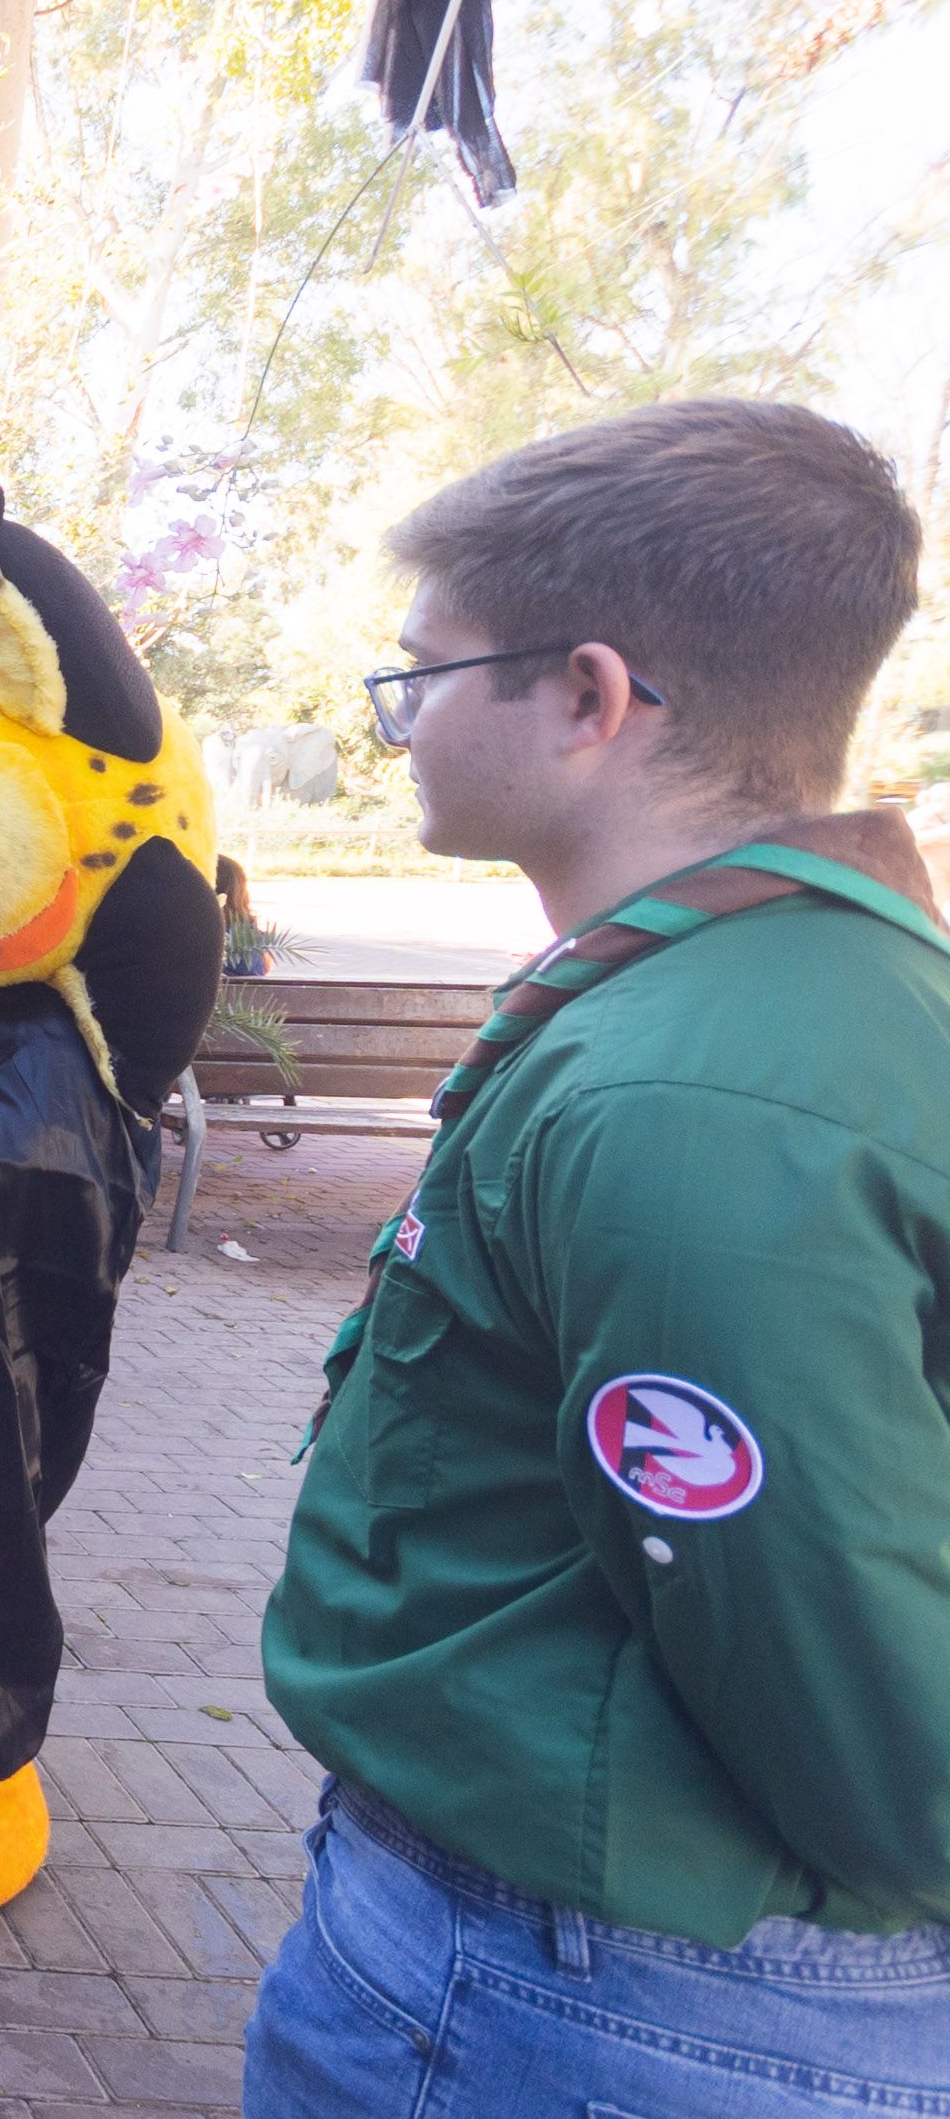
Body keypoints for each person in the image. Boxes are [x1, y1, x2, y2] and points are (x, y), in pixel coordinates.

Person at [247, 400, 950, 2113]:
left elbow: (836, 1664)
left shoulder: (683, 1098)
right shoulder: (781, 1002)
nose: (396, 721)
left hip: (590, 1999)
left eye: (419, 675)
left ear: (584, 696)